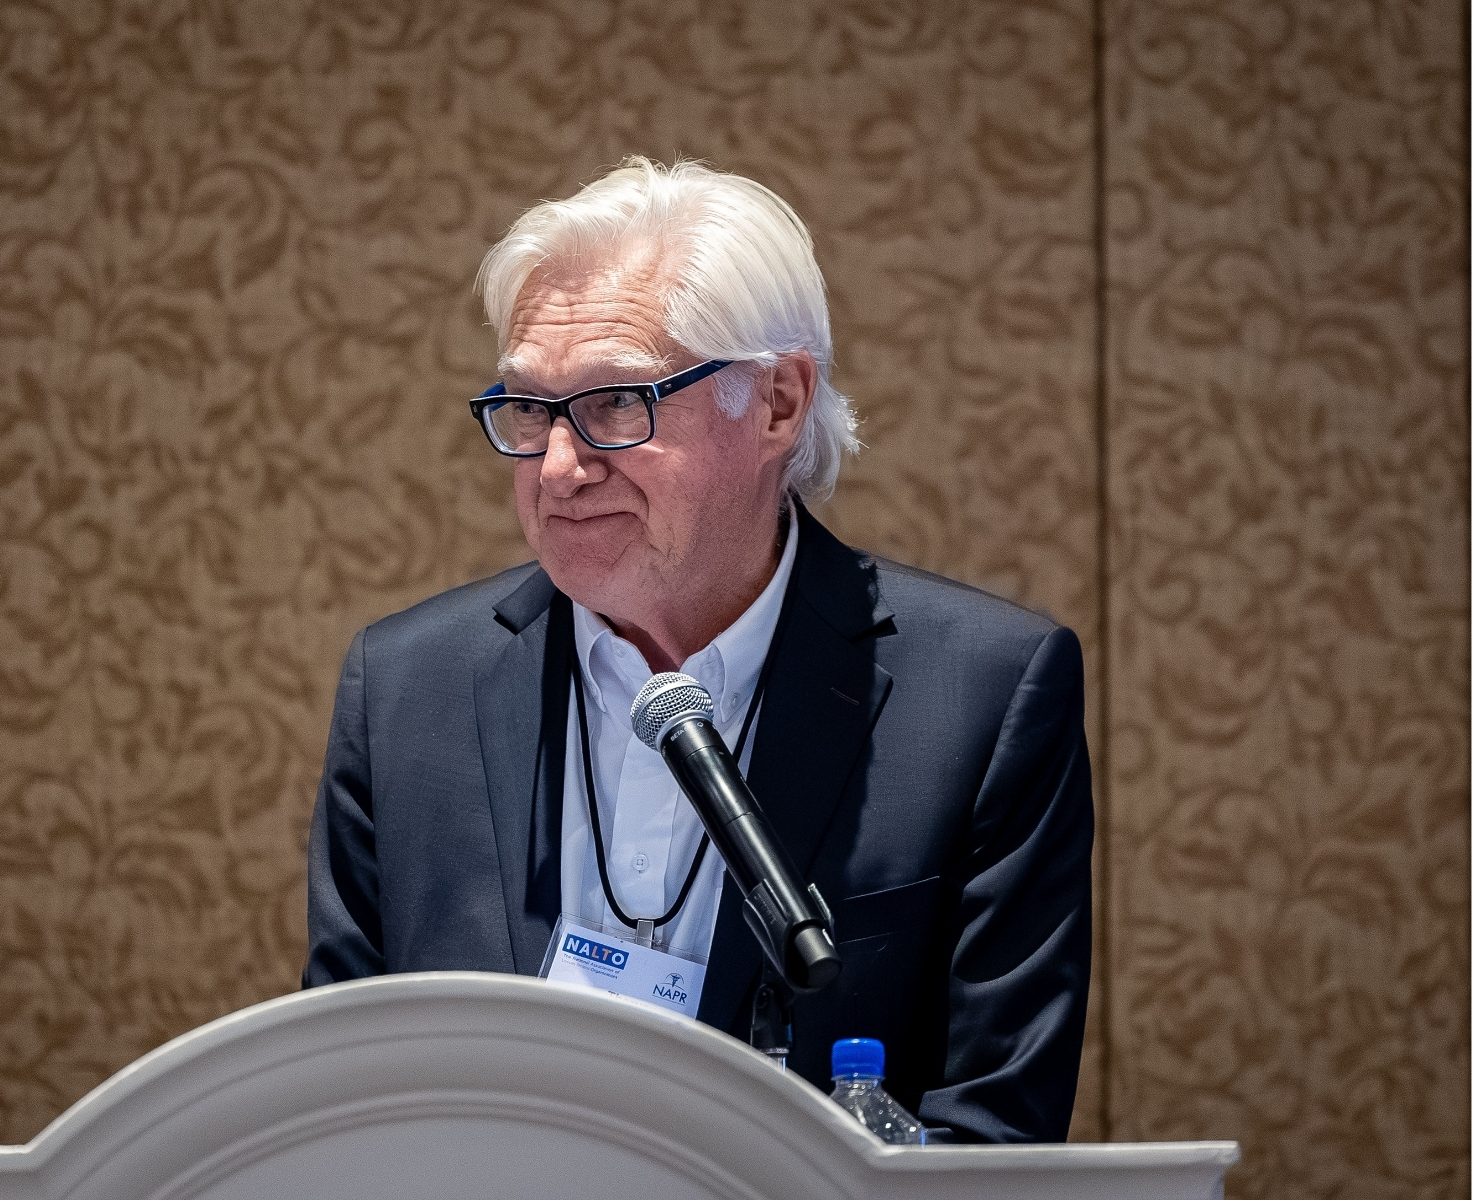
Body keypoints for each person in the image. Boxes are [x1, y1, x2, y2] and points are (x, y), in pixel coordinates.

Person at [303, 158, 1093, 1143]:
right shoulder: (405, 691)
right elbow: (340, 1110)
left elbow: (993, 1139)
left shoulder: (981, 699)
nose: (558, 468)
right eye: (530, 408)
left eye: (614, 404)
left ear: (776, 403)